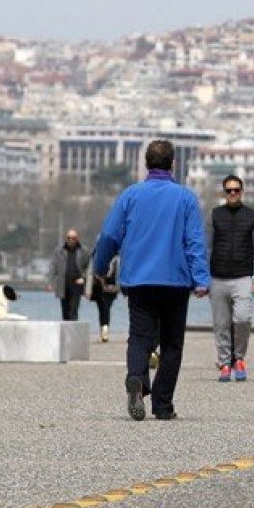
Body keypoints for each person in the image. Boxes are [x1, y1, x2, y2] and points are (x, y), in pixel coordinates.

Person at [91, 140, 212, 422]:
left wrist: (99, 266)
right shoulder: (185, 198)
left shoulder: (130, 195)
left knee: (139, 336)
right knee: (171, 343)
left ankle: (137, 378)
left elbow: (109, 235)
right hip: (175, 281)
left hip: (139, 280)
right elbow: (194, 242)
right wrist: (201, 280)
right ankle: (163, 404)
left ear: (146, 164)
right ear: (173, 164)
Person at [207, 175, 254, 383]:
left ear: (242, 192)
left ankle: (239, 358)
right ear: (224, 193)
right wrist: (200, 277)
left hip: (243, 277)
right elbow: (205, 248)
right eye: (229, 190)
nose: (232, 193)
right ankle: (225, 362)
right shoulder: (214, 216)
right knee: (221, 323)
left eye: (236, 190)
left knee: (243, 319)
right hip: (217, 277)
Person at [49, 230, 90, 322]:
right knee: (65, 312)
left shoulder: (83, 251)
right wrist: (50, 282)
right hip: (63, 284)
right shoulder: (59, 250)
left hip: (76, 285)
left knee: (73, 311)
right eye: (69, 238)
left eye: (73, 238)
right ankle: (66, 334)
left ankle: (73, 334)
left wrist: (84, 277)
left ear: (77, 239)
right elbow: (53, 266)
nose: (71, 240)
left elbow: (89, 266)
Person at [84, 249, 121, 343]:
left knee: (106, 308)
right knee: (101, 309)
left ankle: (105, 332)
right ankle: (103, 331)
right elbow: (90, 273)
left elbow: (119, 273)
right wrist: (88, 290)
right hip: (98, 287)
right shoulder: (94, 257)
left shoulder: (116, 258)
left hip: (111, 287)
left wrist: (121, 287)